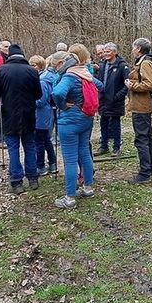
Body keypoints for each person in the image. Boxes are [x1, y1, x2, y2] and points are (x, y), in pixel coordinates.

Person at [51, 45, 103, 208]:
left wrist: (63, 105)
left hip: (69, 122)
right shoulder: (85, 72)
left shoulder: (70, 76)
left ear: (62, 64)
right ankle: (87, 188)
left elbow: (57, 93)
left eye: (55, 66)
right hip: (86, 118)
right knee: (84, 153)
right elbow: (100, 86)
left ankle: (70, 198)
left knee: (70, 160)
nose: (55, 69)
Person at [0, 44, 42, 193]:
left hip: (9, 115)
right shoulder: (32, 71)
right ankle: (33, 178)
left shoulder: (1, 70)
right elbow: (38, 94)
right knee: (30, 146)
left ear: (9, 55)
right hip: (28, 114)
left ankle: (17, 181)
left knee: (13, 148)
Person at [125, 37, 152, 185]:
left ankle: (144, 173)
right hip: (143, 105)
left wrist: (131, 85)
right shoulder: (146, 62)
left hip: (141, 106)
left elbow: (149, 85)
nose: (132, 50)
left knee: (141, 139)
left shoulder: (145, 63)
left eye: (134, 47)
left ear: (138, 49)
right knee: (148, 137)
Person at [96, 42, 129, 158]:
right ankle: (104, 146)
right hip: (103, 100)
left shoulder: (122, 66)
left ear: (115, 52)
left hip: (115, 101)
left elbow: (127, 84)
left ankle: (116, 148)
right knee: (103, 123)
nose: (106, 54)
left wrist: (117, 96)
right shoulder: (102, 65)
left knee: (115, 124)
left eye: (108, 51)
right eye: (104, 52)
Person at [31, 55, 59, 176]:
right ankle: (52, 164)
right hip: (45, 113)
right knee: (46, 139)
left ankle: (41, 166)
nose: (31, 67)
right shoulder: (44, 78)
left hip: (41, 114)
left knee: (39, 141)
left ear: (40, 66)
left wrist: (28, 101)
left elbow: (41, 101)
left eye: (34, 65)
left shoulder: (42, 81)